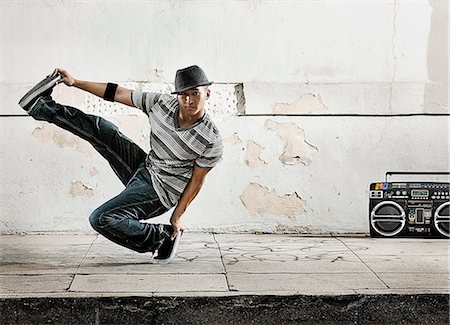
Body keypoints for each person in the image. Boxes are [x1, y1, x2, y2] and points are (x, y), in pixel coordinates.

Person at [19, 65, 223, 263]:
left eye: (195, 93)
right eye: (183, 95)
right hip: (146, 167)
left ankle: (160, 237)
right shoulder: (160, 104)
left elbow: (197, 181)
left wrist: (176, 217)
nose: (189, 100)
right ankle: (42, 107)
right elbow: (116, 93)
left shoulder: (211, 139)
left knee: (101, 218)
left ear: (207, 94)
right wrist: (74, 82)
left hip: (160, 192)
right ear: (176, 95)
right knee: (104, 130)